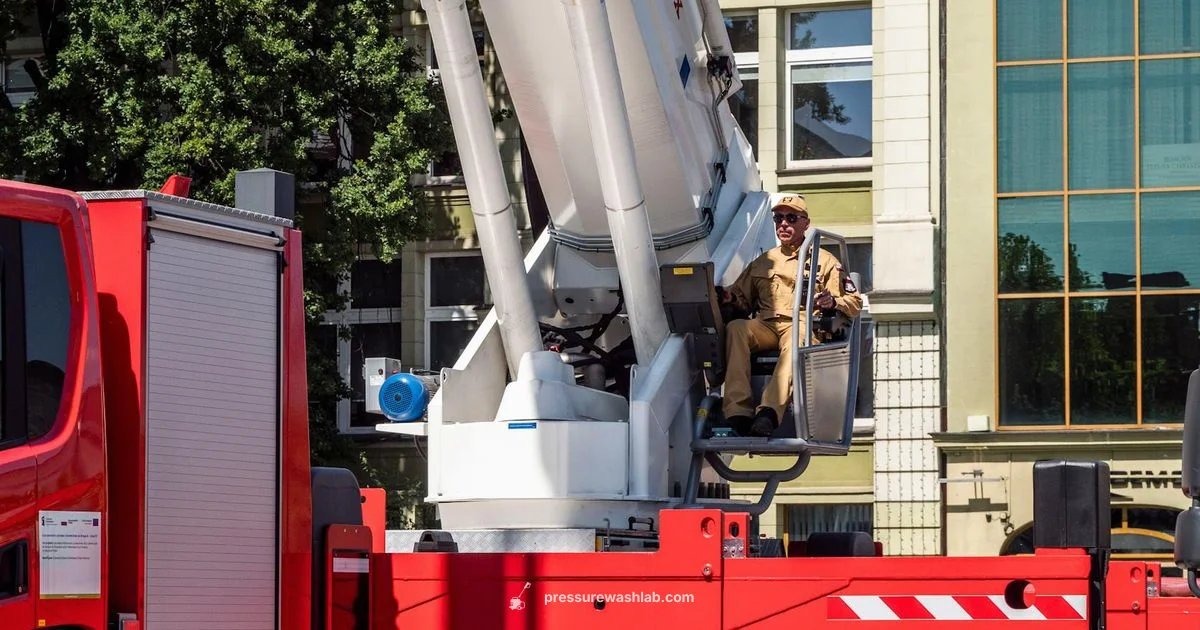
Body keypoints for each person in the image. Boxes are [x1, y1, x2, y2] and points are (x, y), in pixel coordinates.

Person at [717, 195, 863, 437]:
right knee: (737, 329)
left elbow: (855, 301)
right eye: (778, 218)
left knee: (797, 339)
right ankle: (737, 412)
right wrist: (726, 297)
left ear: (805, 223)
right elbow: (740, 296)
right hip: (766, 324)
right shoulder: (765, 261)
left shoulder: (824, 261)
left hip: (803, 325)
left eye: (791, 218)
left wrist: (833, 301)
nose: (783, 224)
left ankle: (768, 413)